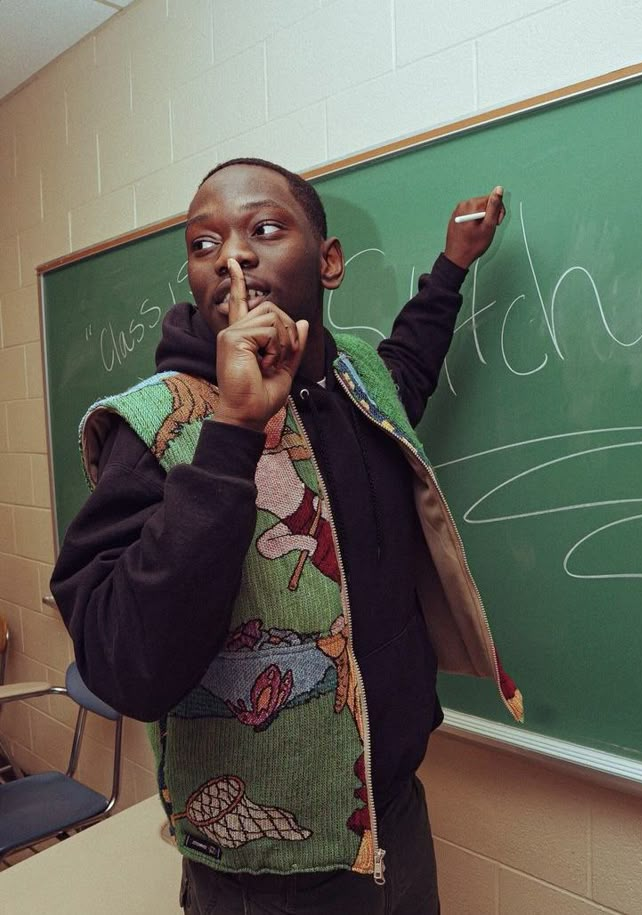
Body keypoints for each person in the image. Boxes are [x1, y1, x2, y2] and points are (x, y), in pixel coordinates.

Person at [51, 157, 523, 915]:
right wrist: (234, 431)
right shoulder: (157, 425)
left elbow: (408, 363)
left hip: (392, 817)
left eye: (264, 230)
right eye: (203, 245)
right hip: (261, 875)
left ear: (328, 263)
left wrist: (452, 267)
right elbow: (122, 663)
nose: (231, 256)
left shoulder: (353, 379)